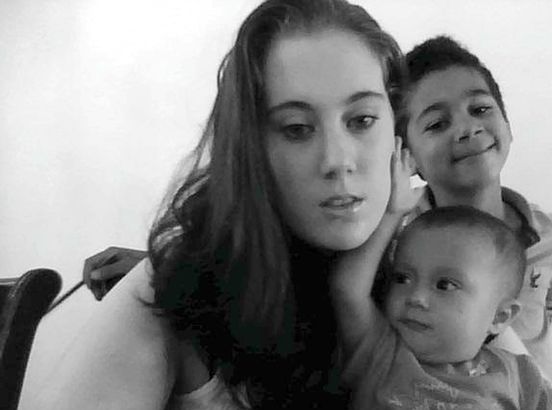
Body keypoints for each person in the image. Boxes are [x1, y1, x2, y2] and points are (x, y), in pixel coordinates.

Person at [36, 0, 406, 408]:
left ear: (396, 123)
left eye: (362, 120)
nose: (337, 160)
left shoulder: (420, 268)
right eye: (297, 129)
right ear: (250, 147)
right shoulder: (173, 296)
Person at [329, 150, 552, 409]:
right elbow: (348, 290)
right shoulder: (381, 352)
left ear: (499, 317)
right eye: (402, 278)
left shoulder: (517, 375)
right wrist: (392, 212)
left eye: (445, 285)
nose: (416, 297)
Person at [395, 36, 552, 379]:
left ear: (507, 125)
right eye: (437, 124)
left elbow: (549, 306)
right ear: (409, 156)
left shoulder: (551, 236)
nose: (467, 128)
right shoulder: (396, 238)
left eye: (479, 109)